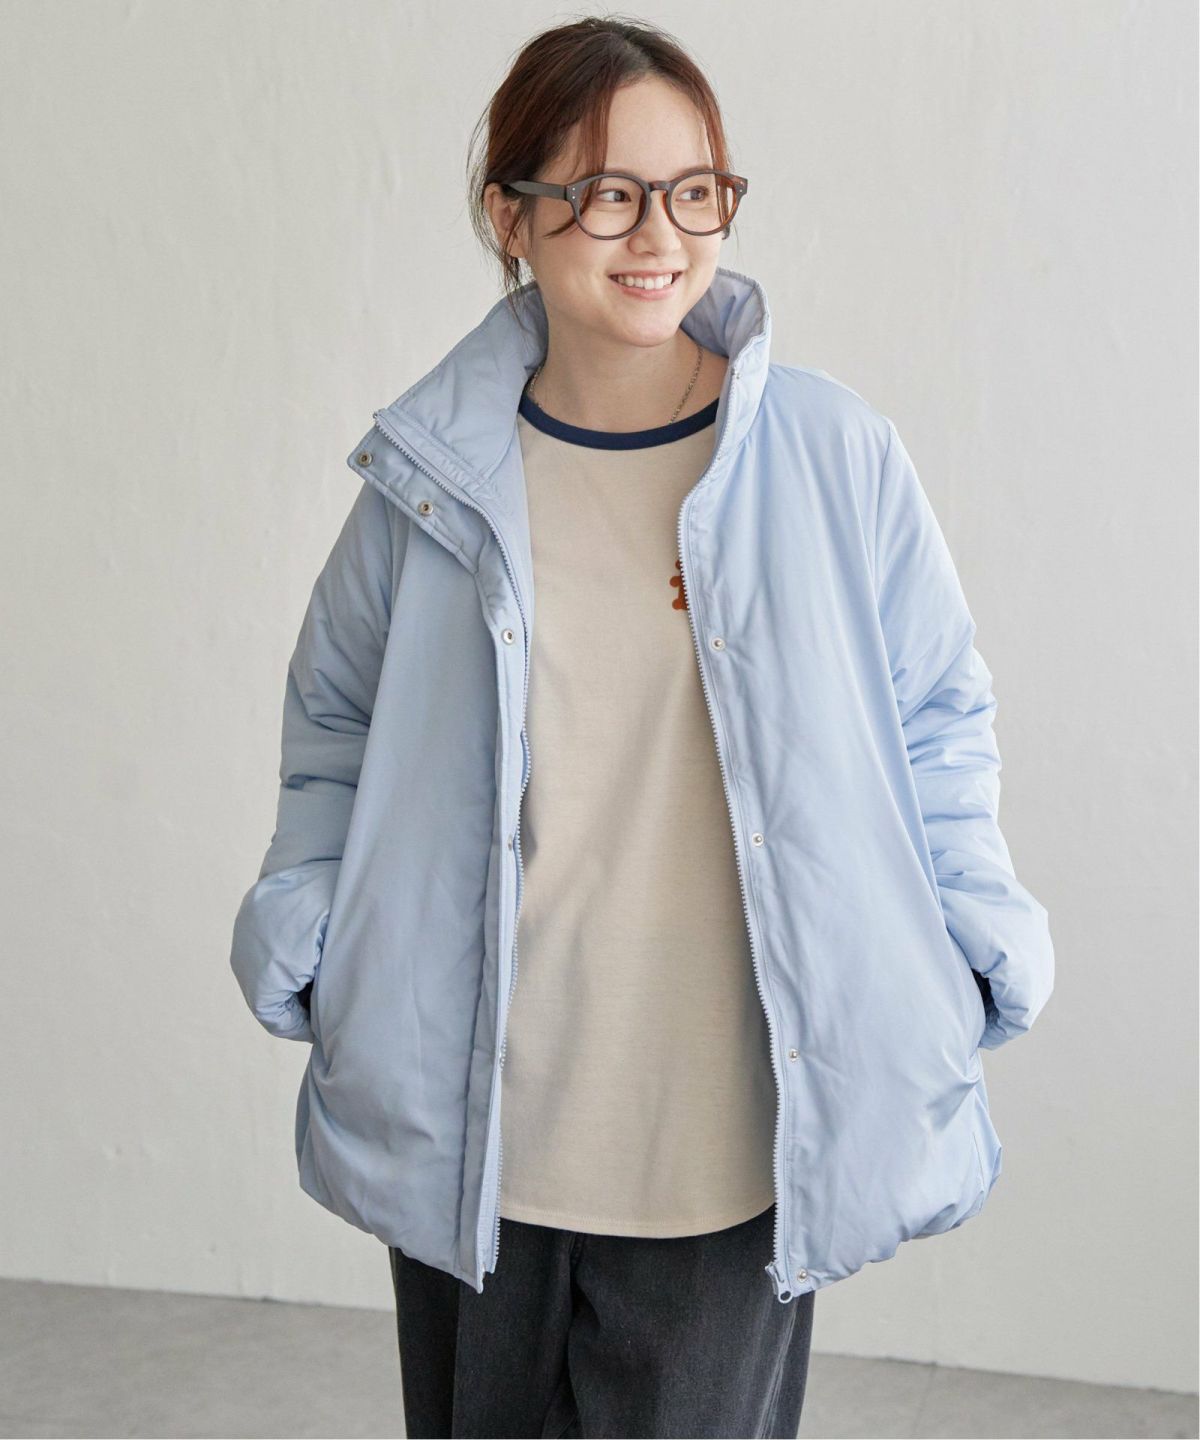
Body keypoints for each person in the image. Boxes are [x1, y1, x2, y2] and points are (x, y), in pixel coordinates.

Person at [230, 16, 1055, 1440]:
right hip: (479, 1127)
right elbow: (336, 722)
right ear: (512, 216)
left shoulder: (831, 458)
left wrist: (966, 924)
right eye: (608, 192)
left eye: (694, 191)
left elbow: (938, 720)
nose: (659, 235)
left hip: (733, 1131)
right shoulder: (431, 485)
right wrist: (312, 915)